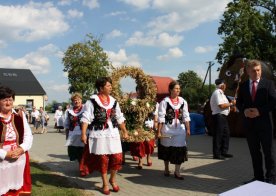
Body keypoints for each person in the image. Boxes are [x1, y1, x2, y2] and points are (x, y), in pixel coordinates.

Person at [80, 77, 128, 195]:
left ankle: (112, 179)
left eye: (110, 85)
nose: (110, 87)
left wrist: (125, 131)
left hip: (113, 133)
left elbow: (119, 117)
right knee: (103, 159)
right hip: (99, 134)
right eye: (108, 85)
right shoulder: (91, 101)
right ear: (101, 88)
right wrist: (83, 134)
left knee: (117, 157)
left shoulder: (113, 101)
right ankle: (105, 184)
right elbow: (86, 118)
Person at [236, 60, 276, 184]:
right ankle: (258, 178)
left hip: (265, 124)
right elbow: (239, 102)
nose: (257, 72)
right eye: (254, 70)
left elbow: (273, 102)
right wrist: (244, 111)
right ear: (248, 71)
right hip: (250, 125)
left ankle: (271, 179)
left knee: (269, 153)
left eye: (259, 70)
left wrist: (259, 111)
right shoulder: (243, 86)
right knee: (255, 153)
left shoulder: (268, 84)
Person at [0, 86, 33, 195]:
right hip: (2, 157)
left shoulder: (19, 115)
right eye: (5, 100)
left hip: (19, 156)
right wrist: (5, 154)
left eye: (10, 99)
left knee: (17, 187)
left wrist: (22, 148)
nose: (8, 102)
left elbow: (28, 135)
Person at [156, 80, 190, 180]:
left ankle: (177, 172)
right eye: (176, 88)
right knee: (167, 149)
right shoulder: (164, 102)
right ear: (170, 90)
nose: (178, 90)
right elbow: (161, 118)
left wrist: (188, 128)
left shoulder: (183, 101)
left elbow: (186, 116)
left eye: (179, 89)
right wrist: (158, 131)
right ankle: (166, 168)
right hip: (167, 129)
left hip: (179, 130)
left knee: (179, 150)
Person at [210, 79, 235, 160]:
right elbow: (221, 106)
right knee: (218, 136)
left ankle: (224, 152)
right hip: (218, 116)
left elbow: (224, 106)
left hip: (223, 116)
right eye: (225, 84)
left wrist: (231, 108)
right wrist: (231, 103)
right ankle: (216, 154)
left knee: (226, 134)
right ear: (222, 85)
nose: (226, 86)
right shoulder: (217, 93)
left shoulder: (222, 94)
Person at [130, 102, 158, 169]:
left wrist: (155, 126)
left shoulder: (154, 103)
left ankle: (148, 157)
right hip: (139, 126)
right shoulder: (136, 102)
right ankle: (140, 160)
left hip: (149, 127)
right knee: (140, 144)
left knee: (149, 144)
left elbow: (155, 116)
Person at [64, 93, 85, 164]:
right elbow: (67, 124)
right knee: (76, 151)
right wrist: (67, 136)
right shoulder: (68, 111)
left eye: (78, 100)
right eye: (75, 100)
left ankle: (83, 167)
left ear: (81, 100)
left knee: (84, 151)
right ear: (72, 102)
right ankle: (81, 166)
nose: (77, 102)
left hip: (84, 133)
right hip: (73, 133)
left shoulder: (86, 108)